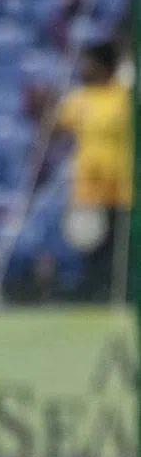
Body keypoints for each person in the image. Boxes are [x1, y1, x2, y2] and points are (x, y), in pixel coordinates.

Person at [56, 41, 133, 302]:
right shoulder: (80, 98)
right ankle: (95, 295)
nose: (84, 68)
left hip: (121, 186)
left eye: (90, 62)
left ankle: (120, 296)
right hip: (88, 187)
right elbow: (54, 128)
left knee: (121, 248)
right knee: (91, 245)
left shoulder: (124, 97)